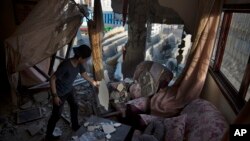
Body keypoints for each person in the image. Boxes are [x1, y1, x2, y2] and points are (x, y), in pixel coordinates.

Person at [45, 44, 99, 140]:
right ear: (80, 58)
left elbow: (84, 74)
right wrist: (55, 96)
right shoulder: (66, 65)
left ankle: (75, 125)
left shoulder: (79, 64)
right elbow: (52, 79)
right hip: (60, 93)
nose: (86, 61)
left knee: (74, 106)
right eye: (86, 59)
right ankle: (48, 136)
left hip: (69, 90)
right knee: (56, 115)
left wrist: (93, 82)